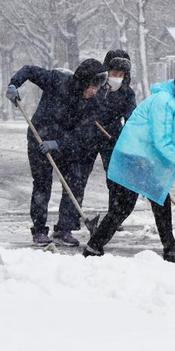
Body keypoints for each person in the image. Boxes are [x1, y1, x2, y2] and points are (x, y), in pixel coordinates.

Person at [83, 61, 175, 264]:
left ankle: (171, 250)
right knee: (125, 207)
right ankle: (94, 247)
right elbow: (162, 141)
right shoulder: (163, 101)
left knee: (157, 201)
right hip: (133, 156)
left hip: (143, 157)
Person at [5, 59, 108, 247]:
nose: (95, 91)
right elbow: (29, 69)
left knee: (74, 181)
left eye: (98, 86)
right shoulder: (57, 80)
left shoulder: (93, 103)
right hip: (38, 137)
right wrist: (14, 84)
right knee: (42, 184)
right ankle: (38, 230)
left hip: (63, 144)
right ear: (84, 80)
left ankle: (63, 230)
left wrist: (58, 143)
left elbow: (82, 134)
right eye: (93, 85)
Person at [62, 50, 136, 235]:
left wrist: (129, 137)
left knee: (116, 179)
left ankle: (114, 218)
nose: (117, 77)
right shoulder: (95, 85)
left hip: (112, 138)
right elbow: (80, 106)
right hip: (87, 134)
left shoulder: (127, 93)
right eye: (113, 73)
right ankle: (68, 223)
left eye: (121, 74)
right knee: (77, 178)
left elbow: (131, 118)